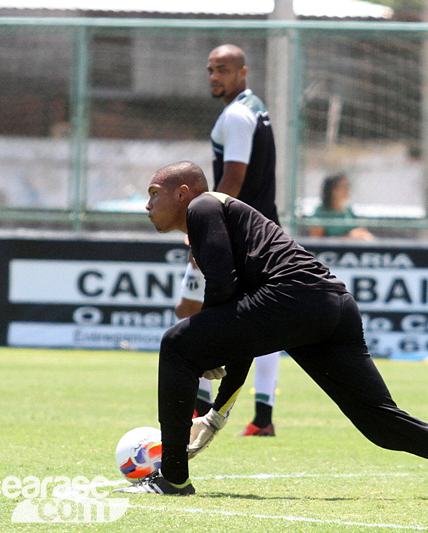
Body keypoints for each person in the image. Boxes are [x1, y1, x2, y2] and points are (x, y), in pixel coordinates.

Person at [117, 161, 428, 499]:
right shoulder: (218, 218)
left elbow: (225, 294)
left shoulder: (203, 207)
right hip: (331, 305)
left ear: (183, 193)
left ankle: (172, 478)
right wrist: (217, 410)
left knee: (176, 343)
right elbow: (244, 325)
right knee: (383, 424)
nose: (147, 205)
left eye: (153, 194)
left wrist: (209, 348)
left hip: (295, 298)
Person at [175, 44, 280, 437]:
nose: (215, 77)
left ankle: (201, 407)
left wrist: (208, 226)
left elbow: (233, 178)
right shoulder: (255, 108)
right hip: (263, 228)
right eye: (211, 69)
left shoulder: (236, 115)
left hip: (237, 232)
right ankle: (262, 417)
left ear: (242, 72)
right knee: (263, 324)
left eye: (223, 69)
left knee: (191, 311)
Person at [309, 173, 374, 240]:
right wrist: (348, 237)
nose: (347, 190)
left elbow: (359, 230)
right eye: (343, 186)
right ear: (333, 190)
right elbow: (316, 240)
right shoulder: (321, 213)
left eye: (348, 186)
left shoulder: (348, 211)